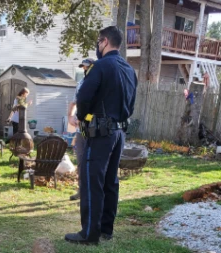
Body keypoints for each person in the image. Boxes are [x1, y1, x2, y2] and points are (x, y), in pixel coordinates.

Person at [65, 26, 138, 245]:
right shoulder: (128, 69)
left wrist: (82, 116)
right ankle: (106, 229)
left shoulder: (101, 66)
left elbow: (84, 95)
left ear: (105, 41)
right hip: (119, 132)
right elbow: (131, 103)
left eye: (99, 42)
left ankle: (89, 234)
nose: (97, 46)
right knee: (110, 181)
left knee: (91, 180)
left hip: (100, 132)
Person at [68, 57, 95, 201]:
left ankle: (91, 194)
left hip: (93, 131)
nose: (85, 69)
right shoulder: (80, 83)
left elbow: (95, 109)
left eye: (87, 67)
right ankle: (81, 191)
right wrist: (70, 117)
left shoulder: (97, 83)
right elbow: (73, 103)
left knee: (93, 163)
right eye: (83, 67)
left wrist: (85, 118)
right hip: (80, 131)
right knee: (80, 161)